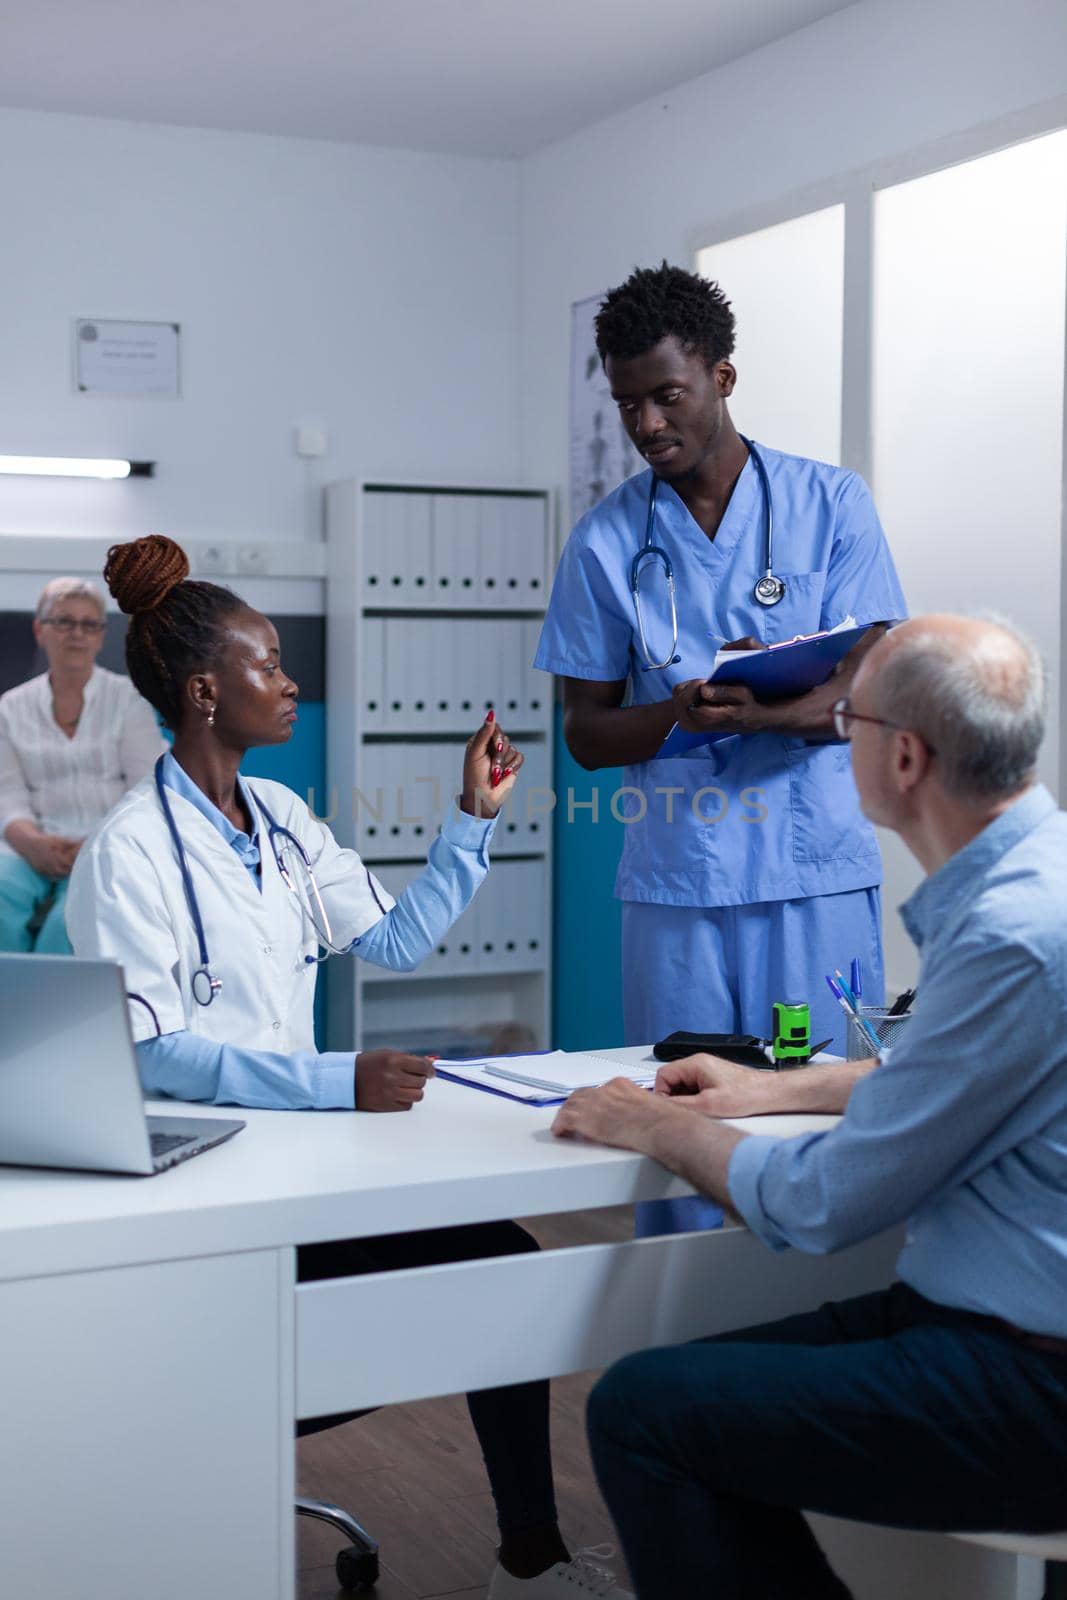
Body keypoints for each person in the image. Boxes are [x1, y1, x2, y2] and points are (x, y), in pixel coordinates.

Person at [65, 534, 631, 1600]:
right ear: (200, 690)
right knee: (428, 1290)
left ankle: (529, 1555)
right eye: (267, 664)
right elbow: (147, 1050)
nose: (290, 683)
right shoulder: (127, 852)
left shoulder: (278, 818)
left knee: (499, 1254)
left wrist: (471, 819)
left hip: (308, 1171)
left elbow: (394, 940)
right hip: (207, 1192)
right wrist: (335, 1081)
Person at [551, 614, 1067, 1600]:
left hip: (1030, 1382)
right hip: (988, 1321)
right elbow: (963, 1075)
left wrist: (659, 1125)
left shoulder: (1009, 934)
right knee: (706, 1392)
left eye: (848, 716)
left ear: (903, 756)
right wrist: (779, 1087)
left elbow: (822, 1202)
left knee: (641, 1411)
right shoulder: (1037, 883)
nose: (836, 732)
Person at [534, 263, 907, 1235]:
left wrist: (759, 712)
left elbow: (877, 687)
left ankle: (824, 1356)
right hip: (679, 889)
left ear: (721, 376)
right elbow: (583, 734)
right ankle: (686, 1359)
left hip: (808, 879)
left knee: (821, 1121)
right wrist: (680, 715)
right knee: (676, 1136)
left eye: (668, 394)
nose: (648, 424)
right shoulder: (604, 543)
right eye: (626, 405)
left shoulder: (831, 507)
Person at [0, 576, 164, 953]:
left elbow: (145, 791)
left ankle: (49, 1008)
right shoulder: (11, 706)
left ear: (101, 636)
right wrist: (32, 843)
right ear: (40, 630)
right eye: (64, 622)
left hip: (107, 844)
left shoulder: (128, 700)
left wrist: (95, 845)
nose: (77, 634)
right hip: (32, 843)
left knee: (68, 921)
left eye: (89, 624)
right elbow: (7, 793)